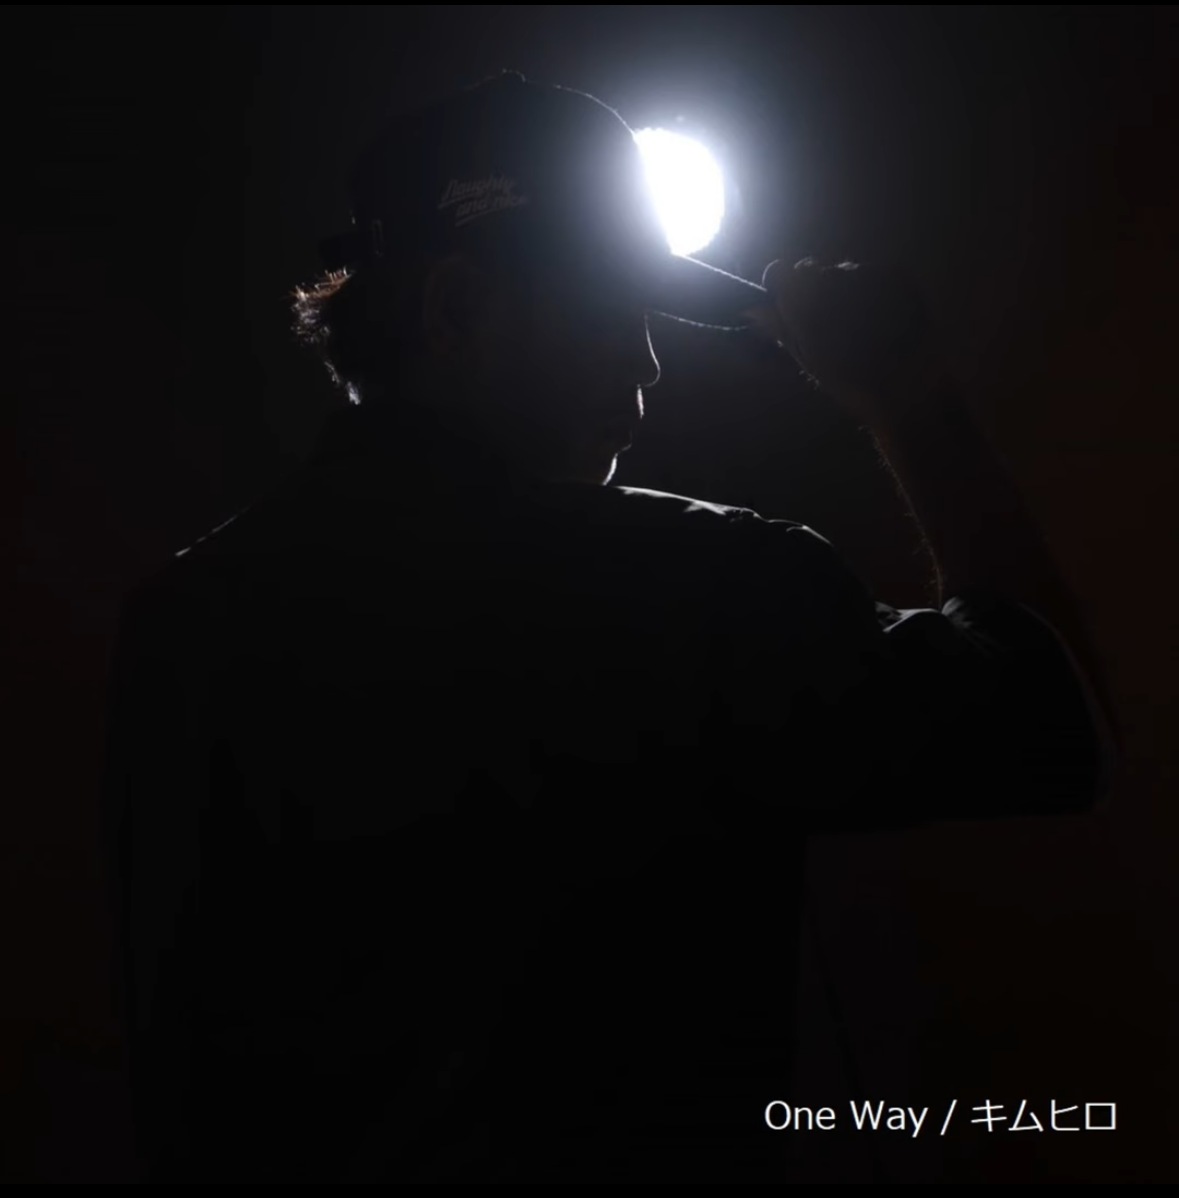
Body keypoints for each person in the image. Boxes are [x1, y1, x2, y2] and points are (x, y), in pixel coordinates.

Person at [101, 71, 1117, 1183]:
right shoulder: (703, 580)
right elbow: (1055, 726)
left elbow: (181, 1073)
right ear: (455, 311)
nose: (647, 364)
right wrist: (908, 392)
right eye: (615, 311)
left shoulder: (179, 624)